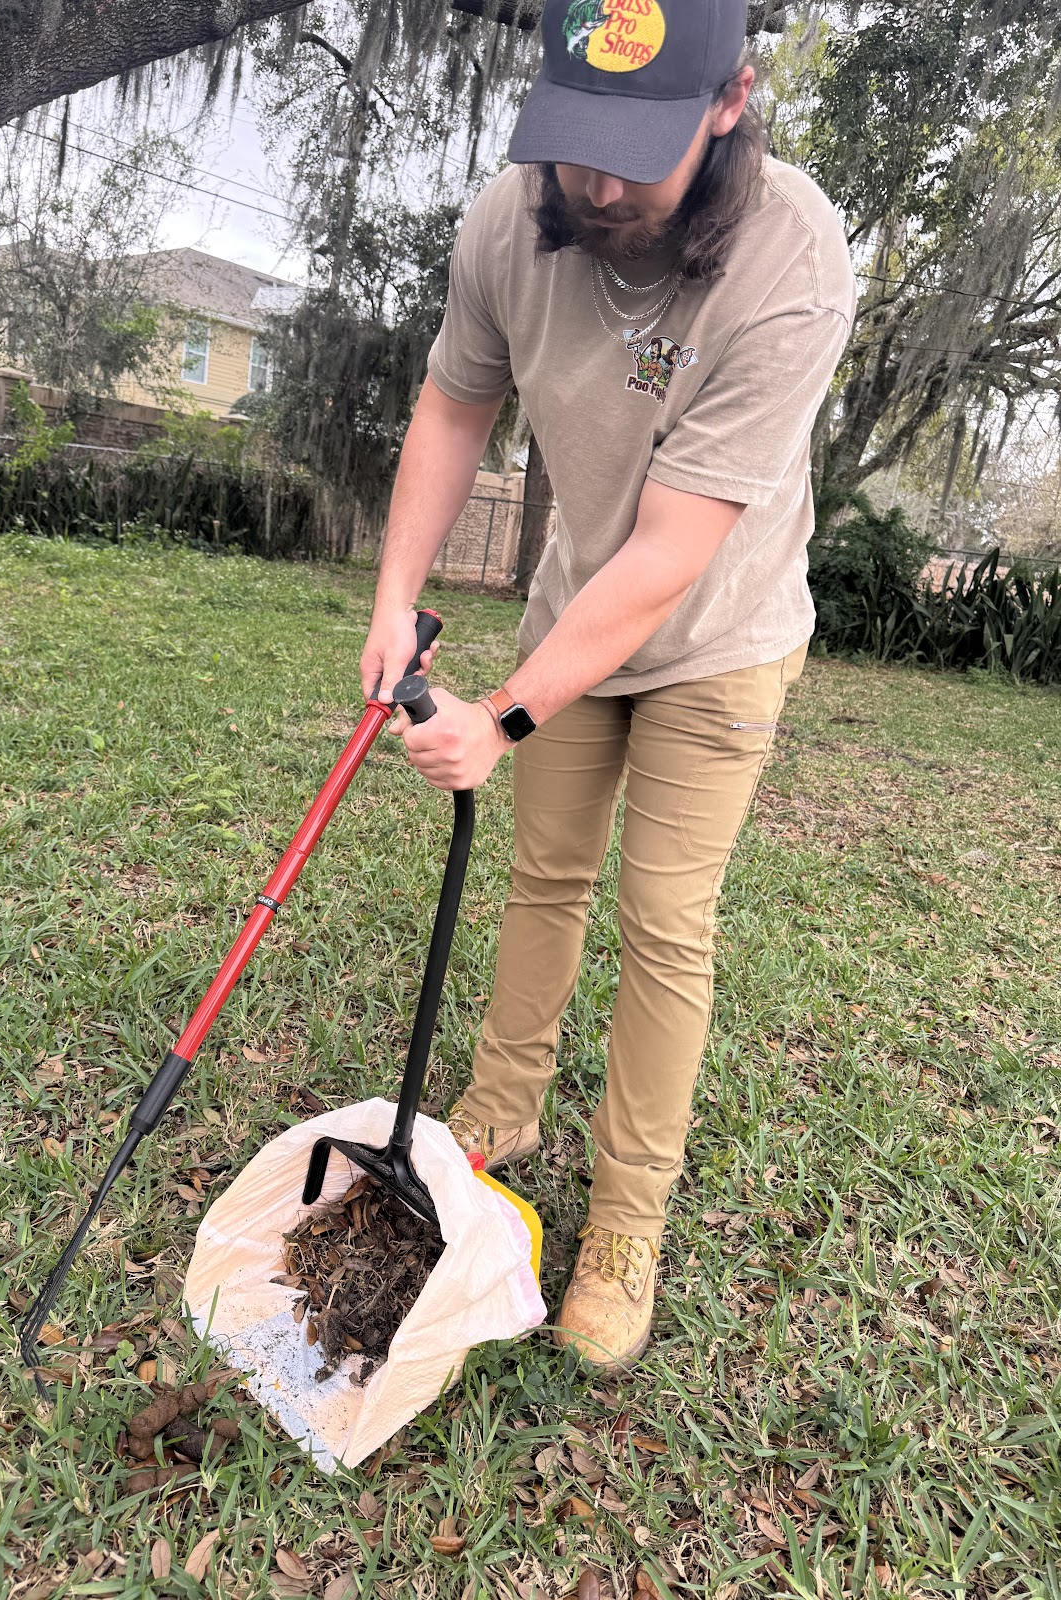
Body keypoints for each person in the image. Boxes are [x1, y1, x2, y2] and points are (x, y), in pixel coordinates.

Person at [361, 0, 856, 1369]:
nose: (598, 184)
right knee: (545, 877)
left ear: (728, 103)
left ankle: (629, 1217)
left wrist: (504, 716)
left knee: (664, 919)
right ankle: (501, 1117)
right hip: (578, 606)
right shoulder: (512, 217)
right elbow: (455, 407)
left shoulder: (792, 256)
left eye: (636, 152)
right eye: (577, 143)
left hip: (724, 633)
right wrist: (397, 598)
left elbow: (674, 552)